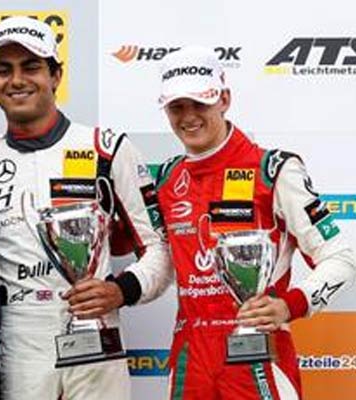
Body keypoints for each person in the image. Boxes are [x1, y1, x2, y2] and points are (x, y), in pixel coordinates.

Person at [71, 45, 356, 399]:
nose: (188, 117)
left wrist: (290, 304)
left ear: (224, 99)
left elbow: (341, 256)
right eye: (177, 106)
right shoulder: (166, 180)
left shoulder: (274, 170)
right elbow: (136, 249)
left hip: (258, 349)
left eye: (199, 103)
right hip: (190, 352)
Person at [0, 16, 170, 400]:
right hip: (21, 336)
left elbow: (160, 248)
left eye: (31, 67)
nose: (17, 80)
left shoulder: (106, 148)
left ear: (56, 75)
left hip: (96, 327)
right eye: (3, 70)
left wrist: (121, 289)